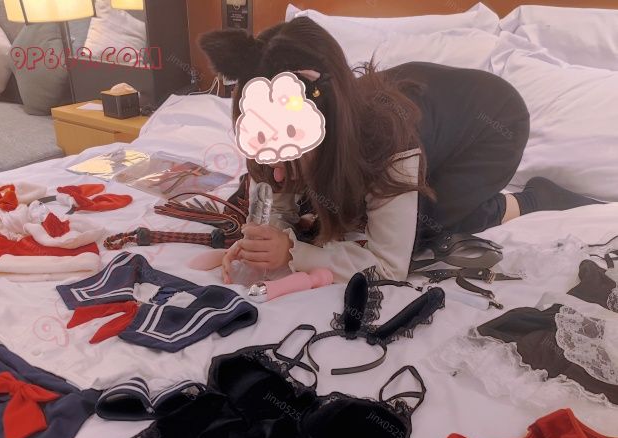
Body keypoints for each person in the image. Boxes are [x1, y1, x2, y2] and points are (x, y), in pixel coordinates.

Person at [199, 18, 604, 283]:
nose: (278, 172)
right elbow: (280, 205)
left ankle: (535, 198)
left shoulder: (387, 145)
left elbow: (390, 265)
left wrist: (294, 252)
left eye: (291, 156)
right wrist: (264, 239)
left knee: (426, 229)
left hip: (491, 126)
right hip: (427, 112)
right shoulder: (281, 127)